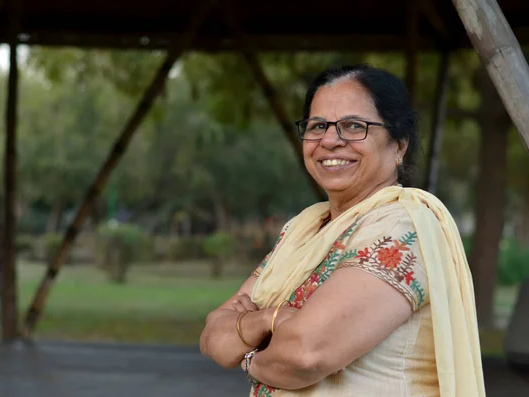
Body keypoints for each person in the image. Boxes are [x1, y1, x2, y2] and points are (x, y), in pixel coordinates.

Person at [199, 65, 485, 397]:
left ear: (399, 145)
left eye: (353, 126)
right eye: (318, 126)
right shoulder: (303, 229)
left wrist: (247, 356)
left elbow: (305, 355)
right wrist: (267, 321)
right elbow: (211, 338)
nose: (331, 141)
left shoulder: (403, 225)